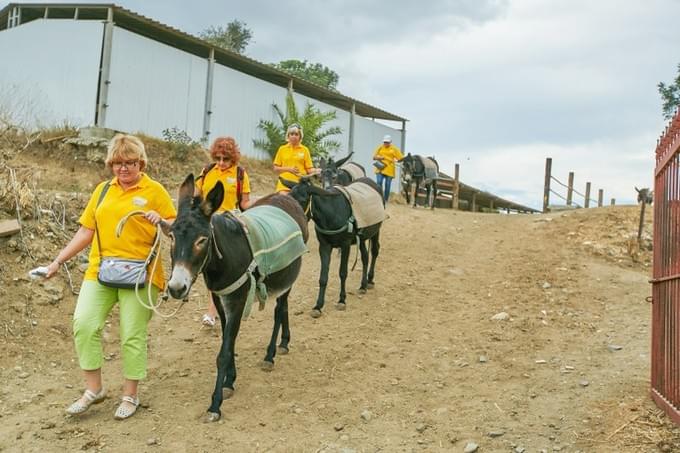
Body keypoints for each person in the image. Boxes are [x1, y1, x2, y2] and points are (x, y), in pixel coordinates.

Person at [45, 134, 177, 420]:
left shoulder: (155, 191)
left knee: (131, 334)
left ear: (141, 162)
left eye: (130, 162)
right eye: (117, 163)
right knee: (84, 323)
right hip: (101, 270)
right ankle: (94, 390)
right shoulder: (103, 191)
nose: (123, 169)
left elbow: (179, 227)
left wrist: (163, 221)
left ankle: (130, 395)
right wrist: (57, 261)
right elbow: (85, 231)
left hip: (142, 274)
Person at [195, 136, 251, 327]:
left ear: (233, 158)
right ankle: (212, 311)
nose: (221, 163)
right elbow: (197, 195)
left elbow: (245, 203)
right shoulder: (207, 171)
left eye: (225, 159)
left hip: (230, 221)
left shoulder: (240, 174)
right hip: (209, 221)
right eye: (217, 158)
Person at [273, 123, 318, 193]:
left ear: (300, 136)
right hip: (284, 183)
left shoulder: (305, 150)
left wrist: (317, 171)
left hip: (300, 184)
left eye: (296, 134)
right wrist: (289, 169)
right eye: (292, 134)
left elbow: (309, 169)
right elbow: (276, 169)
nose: (294, 136)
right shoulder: (282, 149)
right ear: (288, 136)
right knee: (285, 200)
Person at [372, 134, 404, 202]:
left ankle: (385, 199)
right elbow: (374, 157)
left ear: (390, 142)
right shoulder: (380, 147)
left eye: (387, 142)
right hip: (380, 167)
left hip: (389, 169)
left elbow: (401, 158)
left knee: (387, 184)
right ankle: (379, 197)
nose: (386, 143)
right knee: (379, 182)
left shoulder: (394, 149)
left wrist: (396, 160)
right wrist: (380, 157)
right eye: (385, 142)